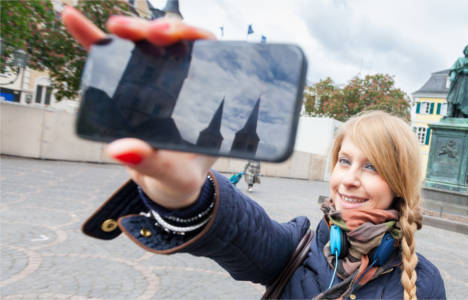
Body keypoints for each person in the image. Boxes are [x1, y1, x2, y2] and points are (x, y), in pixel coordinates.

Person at [64, 8, 445, 299]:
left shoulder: (424, 285)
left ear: (399, 183)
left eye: (371, 167)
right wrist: (186, 198)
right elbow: (241, 231)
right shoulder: (298, 246)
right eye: (344, 161)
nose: (349, 178)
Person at [445, 44, 468, 119]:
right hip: (457, 82)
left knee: (464, 99)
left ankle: (462, 115)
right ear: (464, 50)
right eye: (467, 49)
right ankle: (450, 113)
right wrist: (452, 75)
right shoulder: (459, 60)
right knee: (452, 97)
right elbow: (453, 69)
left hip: (467, 84)